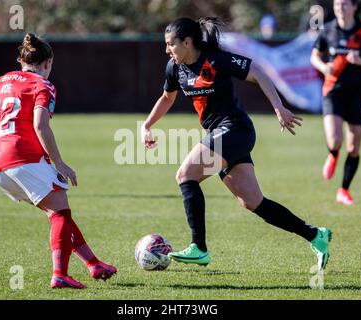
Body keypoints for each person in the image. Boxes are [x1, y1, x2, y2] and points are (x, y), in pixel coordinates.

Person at [141, 17, 332, 271]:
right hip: (221, 134)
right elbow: (167, 97)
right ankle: (315, 235)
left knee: (185, 175)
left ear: (187, 42)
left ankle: (199, 248)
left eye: (170, 44)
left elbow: (259, 73)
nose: (167, 50)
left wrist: (279, 108)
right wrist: (147, 124)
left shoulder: (216, 59)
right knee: (252, 201)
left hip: (235, 130)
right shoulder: (174, 67)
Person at [0, 33, 117, 289]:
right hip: (22, 157)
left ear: (21, 61)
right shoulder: (43, 85)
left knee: (56, 212)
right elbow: (40, 125)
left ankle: (93, 263)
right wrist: (60, 163)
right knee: (61, 214)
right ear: (48, 62)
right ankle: (60, 275)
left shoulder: (1, 81)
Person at [310, 0, 361, 206]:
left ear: (354, 7)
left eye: (344, 4)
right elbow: (314, 57)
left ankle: (343, 190)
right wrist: (324, 68)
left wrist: (360, 60)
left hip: (358, 94)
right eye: (336, 4)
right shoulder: (328, 30)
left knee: (354, 146)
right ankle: (333, 154)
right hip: (333, 91)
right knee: (335, 139)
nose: (339, 8)